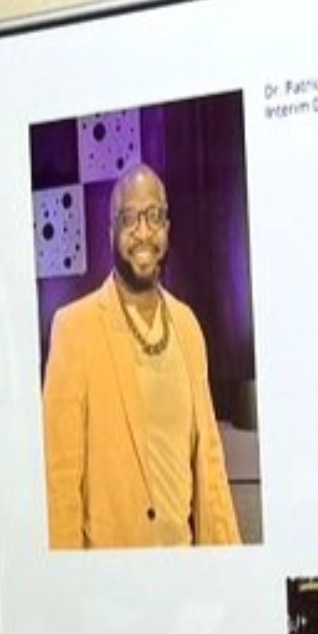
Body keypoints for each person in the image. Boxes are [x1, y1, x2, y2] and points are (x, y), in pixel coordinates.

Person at [41, 162, 241, 548]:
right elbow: (59, 486)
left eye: (154, 216)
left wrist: (230, 566)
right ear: (110, 231)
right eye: (129, 219)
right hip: (113, 592)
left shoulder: (187, 325)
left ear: (167, 227)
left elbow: (210, 464)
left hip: (187, 582)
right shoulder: (74, 329)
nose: (144, 232)